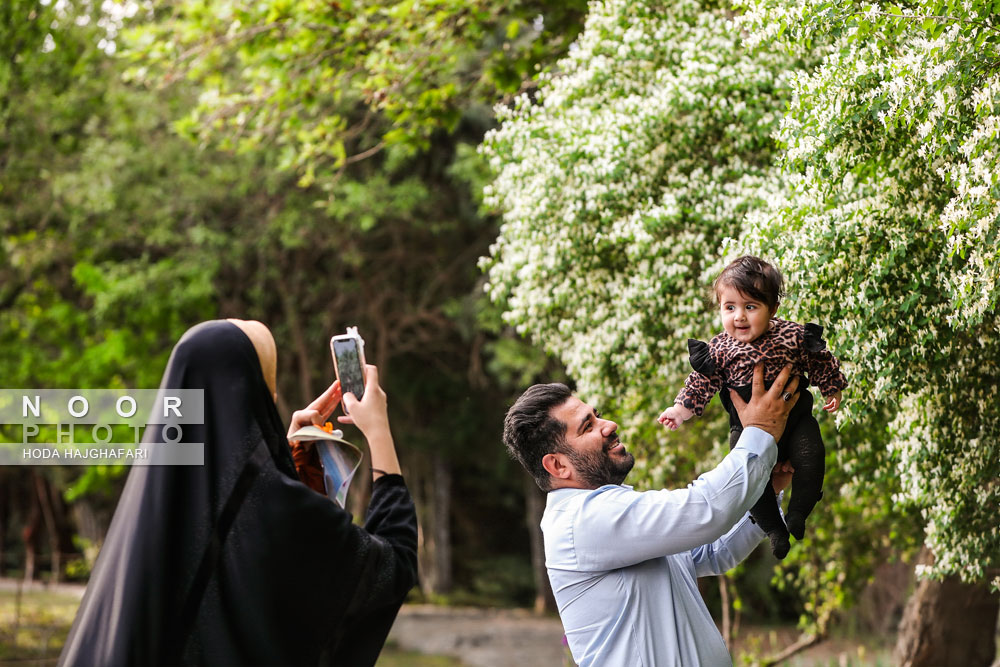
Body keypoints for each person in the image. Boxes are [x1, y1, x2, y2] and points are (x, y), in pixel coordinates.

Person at [59, 319, 417, 666]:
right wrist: (378, 431)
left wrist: (284, 458)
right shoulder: (274, 512)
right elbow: (392, 566)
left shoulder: (146, 512)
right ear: (256, 396)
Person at [503, 364, 799, 666]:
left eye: (596, 415)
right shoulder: (582, 520)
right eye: (587, 427)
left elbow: (713, 552)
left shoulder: (607, 514)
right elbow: (706, 510)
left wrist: (768, 488)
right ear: (558, 466)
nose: (609, 425)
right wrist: (760, 431)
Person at [658, 255, 847, 558]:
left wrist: (831, 387)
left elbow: (820, 360)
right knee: (748, 476)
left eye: (750, 307)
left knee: (812, 455)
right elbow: (702, 383)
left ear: (772, 309)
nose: (739, 317)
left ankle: (798, 512)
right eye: (729, 307)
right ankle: (774, 529)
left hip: (795, 419)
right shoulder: (720, 348)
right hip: (745, 427)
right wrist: (680, 410)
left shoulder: (792, 336)